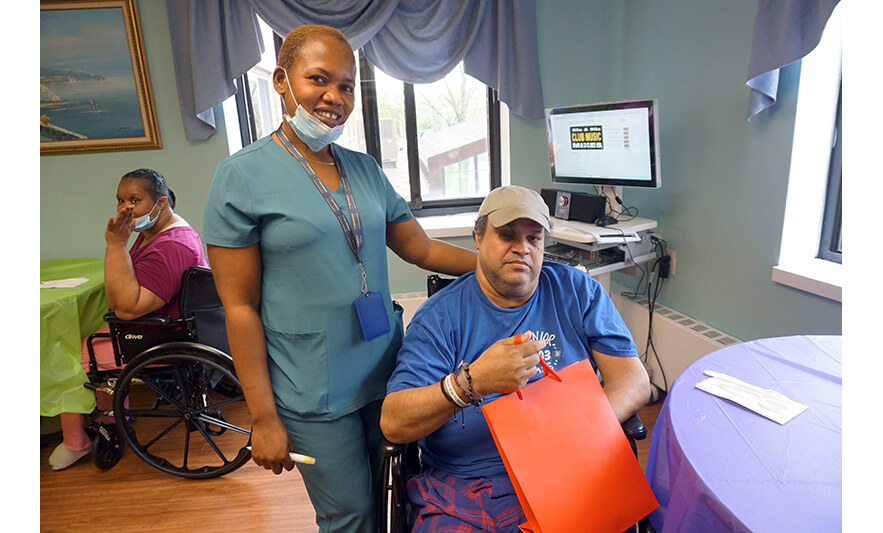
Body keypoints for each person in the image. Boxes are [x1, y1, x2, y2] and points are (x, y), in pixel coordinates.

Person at [202, 25, 477, 533]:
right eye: (318, 79)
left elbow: (420, 248)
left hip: (388, 372)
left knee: (397, 494)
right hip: (312, 387)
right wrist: (263, 419)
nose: (334, 97)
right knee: (349, 515)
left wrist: (495, 264)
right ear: (282, 81)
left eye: (347, 85)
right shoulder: (241, 177)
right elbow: (238, 307)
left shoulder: (365, 169)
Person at [380, 185, 651, 531]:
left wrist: (583, 432)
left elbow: (633, 379)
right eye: (507, 235)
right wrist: (470, 384)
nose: (521, 248)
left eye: (534, 239)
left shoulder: (577, 291)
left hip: (571, 470)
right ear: (478, 239)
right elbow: (394, 422)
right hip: (467, 486)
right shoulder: (440, 318)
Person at [48, 168, 208, 470]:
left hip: (158, 335)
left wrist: (115, 245)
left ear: (161, 202)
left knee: (70, 352)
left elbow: (127, 308)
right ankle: (112, 417)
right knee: (83, 334)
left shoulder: (171, 245)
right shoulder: (155, 232)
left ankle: (79, 440)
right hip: (155, 329)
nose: (125, 208)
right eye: (120, 200)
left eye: (135, 199)